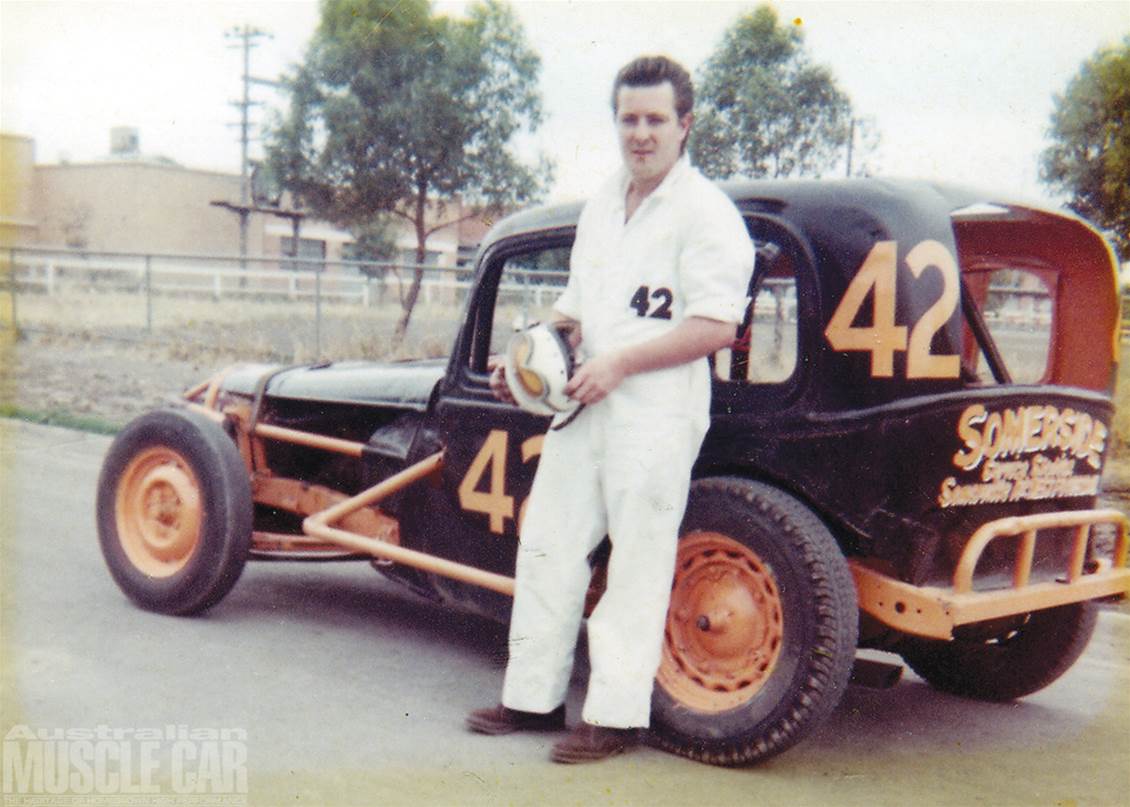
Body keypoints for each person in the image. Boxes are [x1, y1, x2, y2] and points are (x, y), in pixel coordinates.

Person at [467, 55, 754, 763]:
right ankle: (531, 698)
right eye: (629, 118)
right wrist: (525, 363)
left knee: (637, 563)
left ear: (685, 125)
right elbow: (574, 312)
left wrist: (622, 362)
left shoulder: (707, 214)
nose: (641, 133)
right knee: (548, 545)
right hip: (583, 403)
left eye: (656, 119)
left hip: (654, 413)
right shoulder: (603, 202)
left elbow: (718, 326)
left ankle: (616, 717)